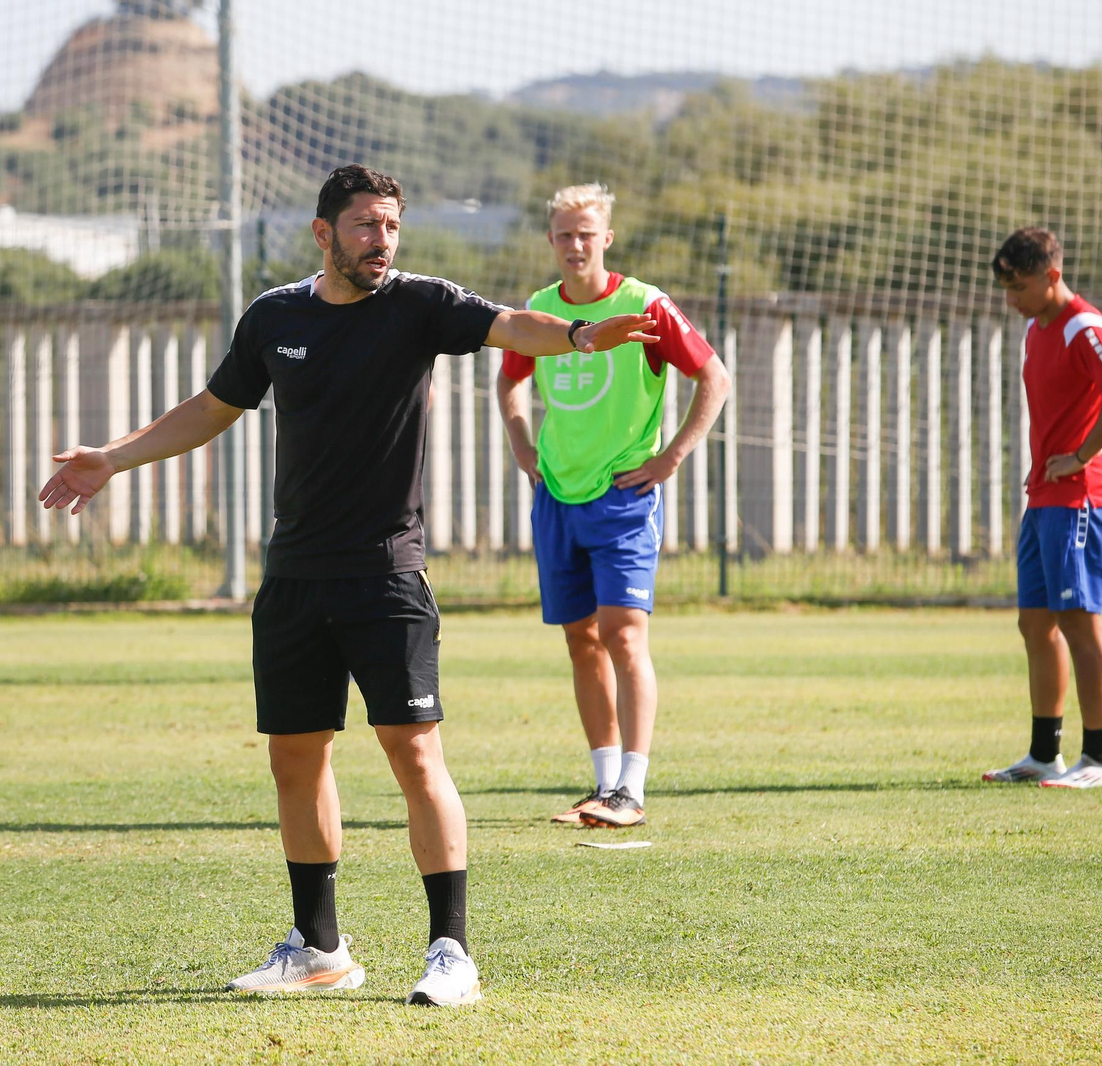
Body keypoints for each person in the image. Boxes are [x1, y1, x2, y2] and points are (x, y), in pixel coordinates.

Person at [40, 164, 658, 1006]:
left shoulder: (419, 304)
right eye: (366, 225)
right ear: (324, 233)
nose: (382, 241)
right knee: (296, 759)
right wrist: (110, 458)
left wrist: (582, 337)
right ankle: (319, 947)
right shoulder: (275, 317)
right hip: (294, 578)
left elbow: (515, 325)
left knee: (414, 754)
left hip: (387, 575)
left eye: (391, 225)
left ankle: (452, 952)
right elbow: (214, 407)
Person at [496, 184, 730, 829]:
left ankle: (632, 788)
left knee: (624, 635)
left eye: (586, 234)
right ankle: (601, 786)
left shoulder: (643, 305)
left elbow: (714, 377)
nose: (576, 245)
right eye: (564, 235)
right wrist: (521, 442)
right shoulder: (540, 311)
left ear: (607, 238)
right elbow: (510, 378)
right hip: (557, 498)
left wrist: (671, 457)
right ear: (551, 241)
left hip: (624, 498)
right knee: (580, 640)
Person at [984, 227, 1102, 788]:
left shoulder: (1084, 325)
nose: (1011, 299)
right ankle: (1043, 754)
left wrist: (1081, 454)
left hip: (1083, 497)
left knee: (1079, 620)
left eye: (1019, 286)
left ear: (1052, 276)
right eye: (1005, 288)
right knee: (1034, 624)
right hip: (1044, 497)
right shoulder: (1035, 327)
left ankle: (1099, 759)